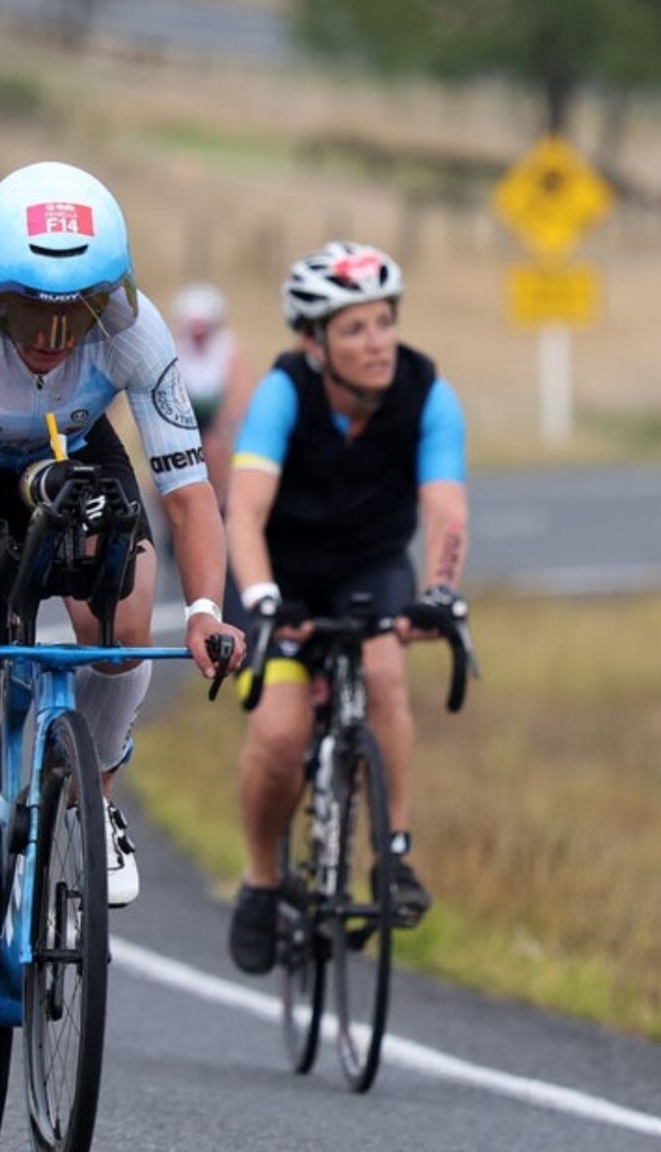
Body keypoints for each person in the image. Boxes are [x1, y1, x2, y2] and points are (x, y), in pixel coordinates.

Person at [0, 161, 245, 1120]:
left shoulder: (135, 332)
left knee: (120, 622)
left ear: (110, 299)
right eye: (30, 309)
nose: (49, 335)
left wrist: (205, 610)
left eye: (76, 312)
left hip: (73, 464)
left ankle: (96, 789)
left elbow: (188, 493)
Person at [222, 241, 469, 977]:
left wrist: (442, 592)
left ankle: (392, 854)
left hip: (370, 567)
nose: (378, 342)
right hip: (280, 572)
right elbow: (244, 510)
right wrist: (264, 598)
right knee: (279, 735)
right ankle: (263, 880)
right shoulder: (283, 392)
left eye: (385, 322)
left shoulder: (428, 393)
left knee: (385, 678)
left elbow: (445, 509)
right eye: (356, 328)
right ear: (314, 342)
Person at [168, 281, 252, 505]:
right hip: (184, 419)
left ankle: (220, 506)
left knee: (215, 452)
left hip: (216, 420)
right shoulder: (173, 347)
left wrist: (223, 431)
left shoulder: (228, 348)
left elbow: (237, 396)